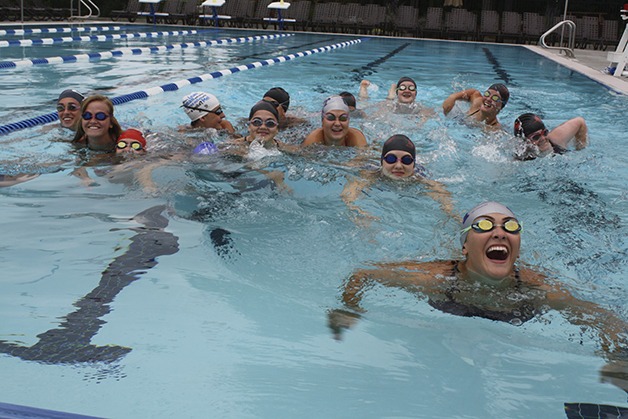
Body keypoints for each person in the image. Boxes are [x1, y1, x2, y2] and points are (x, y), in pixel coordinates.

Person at [328, 201, 628, 360]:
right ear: (464, 246)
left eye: (509, 226)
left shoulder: (537, 288)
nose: (499, 232)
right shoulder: (436, 278)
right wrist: (348, 312)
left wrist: (617, 358)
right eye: (485, 226)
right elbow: (364, 273)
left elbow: (604, 318)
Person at [341, 134, 454, 221]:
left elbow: (444, 197)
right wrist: (359, 212)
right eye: (391, 159)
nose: (399, 166)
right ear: (382, 162)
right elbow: (348, 197)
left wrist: (450, 213)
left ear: (413, 165)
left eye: (406, 160)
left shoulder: (420, 177)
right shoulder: (370, 174)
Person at [513, 113, 588, 160]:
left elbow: (579, 121)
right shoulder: (519, 161)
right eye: (536, 137)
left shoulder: (556, 140)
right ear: (523, 141)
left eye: (545, 132)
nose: (543, 138)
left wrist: (580, 150)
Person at [301, 96, 367, 147]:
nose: (337, 123)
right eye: (331, 117)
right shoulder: (314, 139)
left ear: (348, 121)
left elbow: (361, 160)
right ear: (322, 121)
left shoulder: (356, 136)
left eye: (343, 118)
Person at [442, 83, 510, 129]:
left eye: (495, 98)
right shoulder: (478, 103)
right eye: (487, 94)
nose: (488, 99)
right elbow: (474, 92)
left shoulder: (493, 129)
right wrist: (453, 97)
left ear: (501, 106)